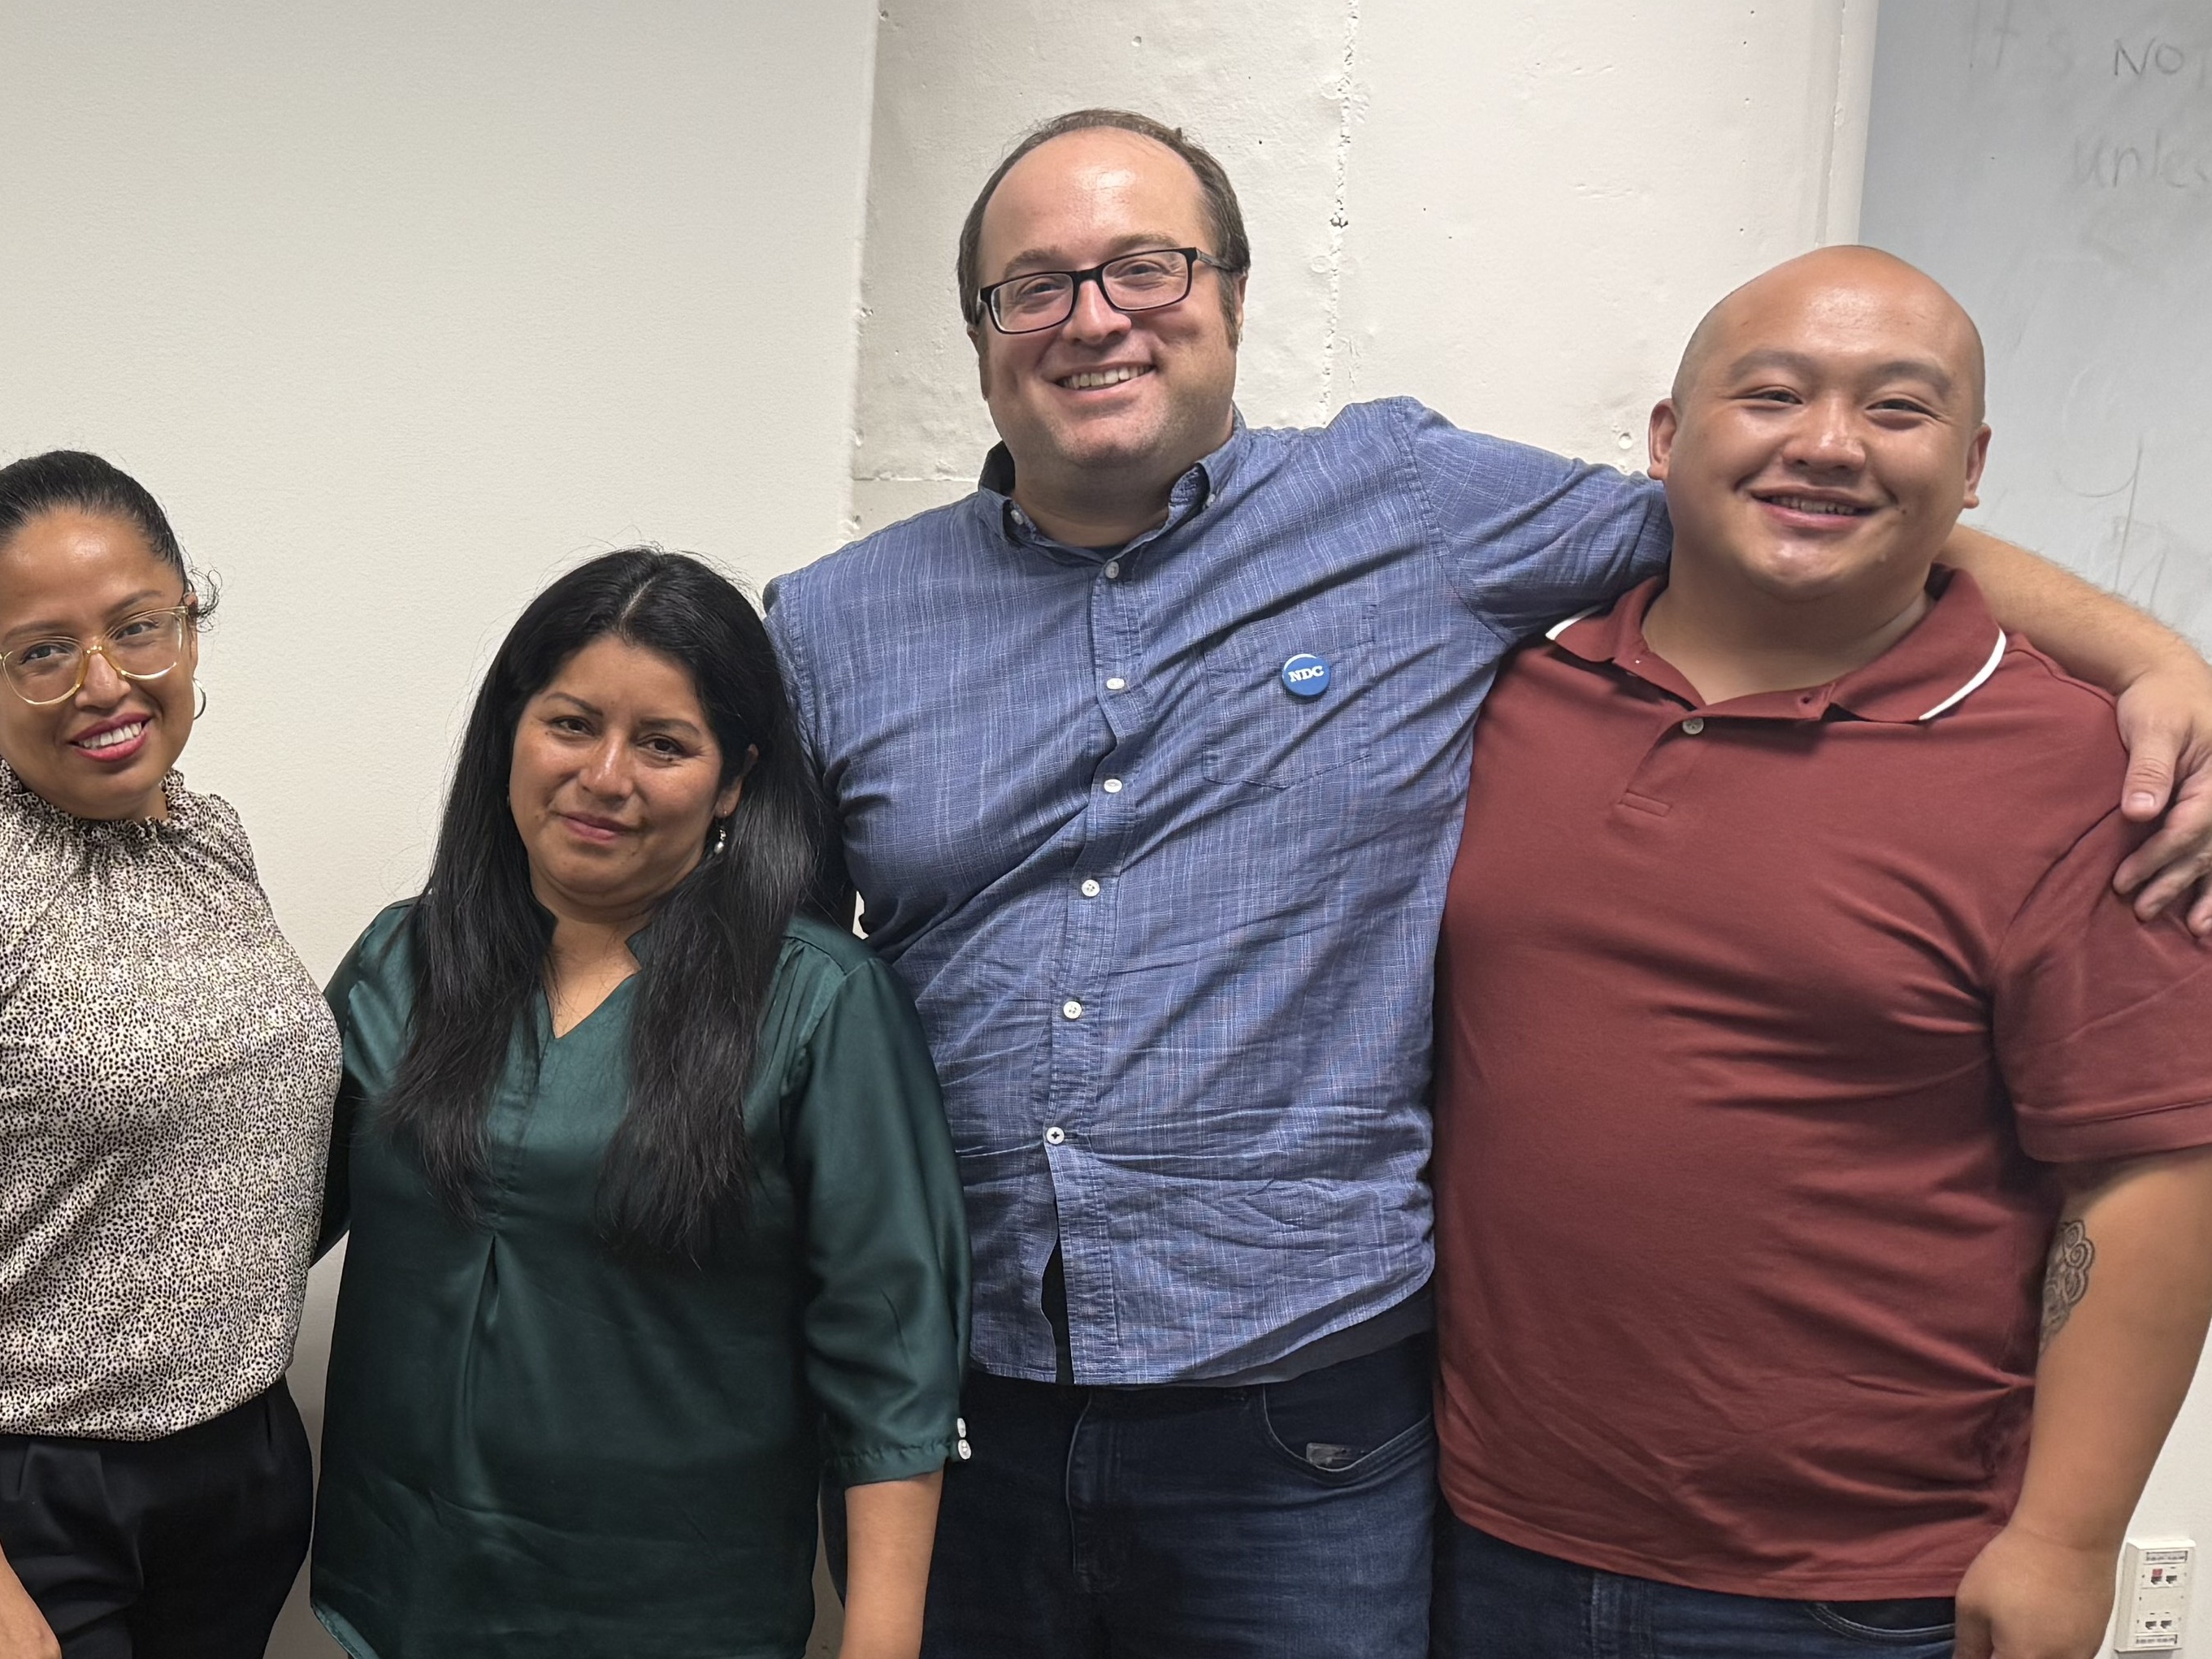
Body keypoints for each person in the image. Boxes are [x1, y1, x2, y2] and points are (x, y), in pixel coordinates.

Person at [758, 108, 2212, 1657]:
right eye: (1033, 286)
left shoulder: (1417, 512)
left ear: (1235, 298)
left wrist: (2154, 655)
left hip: (1308, 1433)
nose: (1095, 315)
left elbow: (1788, 514)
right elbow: (778, 1008)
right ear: (979, 335)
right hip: (957, 1408)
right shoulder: (836, 625)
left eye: (1146, 266)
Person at [1431, 248, 2212, 1659]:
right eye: (1774, 393)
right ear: (1665, 442)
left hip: (1855, 1589)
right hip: (1470, 1538)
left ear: (1972, 468)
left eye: (1899, 411)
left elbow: (2153, 1162)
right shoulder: (1512, 699)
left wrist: (2068, 1537)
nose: (1831, 443)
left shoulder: (2089, 773)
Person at [314, 548, 965, 1658]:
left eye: (664, 744)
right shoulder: (403, 960)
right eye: (571, 724)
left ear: (733, 781)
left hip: (673, 1615)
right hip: (403, 1597)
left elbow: (893, 1361)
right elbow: (241, 1221)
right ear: (510, 732)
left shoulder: (820, 1004)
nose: (605, 775)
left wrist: (883, 1638)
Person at [0, 451, 339, 1659]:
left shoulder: (207, 833)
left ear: (188, 624)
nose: (105, 683)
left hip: (234, 1464)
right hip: (18, 1492)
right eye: (42, 651)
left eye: (140, 627)